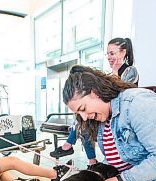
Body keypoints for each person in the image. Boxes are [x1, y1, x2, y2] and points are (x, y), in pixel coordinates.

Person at [50, 37, 139, 165]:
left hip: (120, 115)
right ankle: (91, 161)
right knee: (84, 122)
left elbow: (121, 93)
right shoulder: (110, 74)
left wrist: (114, 73)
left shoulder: (130, 71)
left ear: (123, 52)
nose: (109, 57)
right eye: (107, 53)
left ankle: (70, 146)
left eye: (112, 53)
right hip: (110, 115)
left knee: (84, 121)